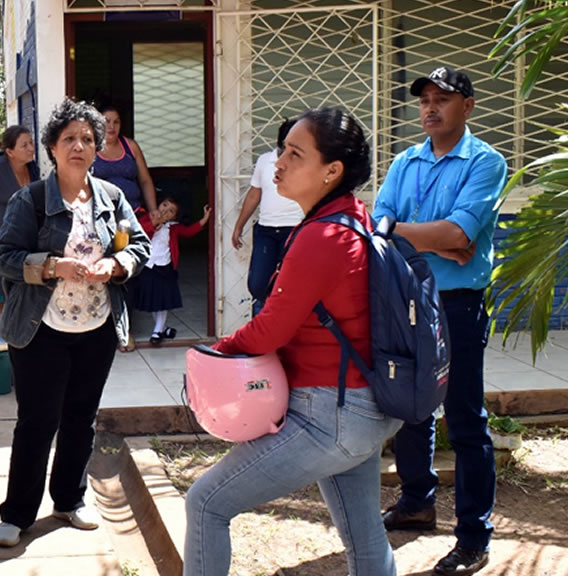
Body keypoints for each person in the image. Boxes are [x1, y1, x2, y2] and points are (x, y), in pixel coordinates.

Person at [184, 108, 404, 576]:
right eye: (283, 150)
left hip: (329, 417)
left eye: (295, 154)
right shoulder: (352, 218)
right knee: (365, 536)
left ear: (331, 171)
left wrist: (214, 350)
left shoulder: (321, 236)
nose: (279, 162)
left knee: (206, 503)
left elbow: (270, 329)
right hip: (365, 408)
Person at [0, 98, 150, 547]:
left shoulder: (112, 198)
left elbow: (139, 247)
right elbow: (4, 258)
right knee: (37, 421)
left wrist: (116, 265)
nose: (78, 146)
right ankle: (17, 514)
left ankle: (69, 500)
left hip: (96, 328)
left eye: (87, 139)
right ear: (53, 149)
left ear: (97, 148)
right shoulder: (31, 200)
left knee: (81, 419)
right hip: (42, 330)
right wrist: (50, 266)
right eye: (68, 139)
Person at [373, 66, 506, 576]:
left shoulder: (486, 162)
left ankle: (474, 535)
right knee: (411, 410)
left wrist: (418, 233)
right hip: (407, 301)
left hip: (457, 305)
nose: (430, 107)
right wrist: (438, 238)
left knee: (466, 420)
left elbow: (456, 233)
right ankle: (416, 503)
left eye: (443, 99)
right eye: (425, 99)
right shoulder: (405, 162)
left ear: (467, 106)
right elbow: (380, 229)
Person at [231, 119, 303, 315]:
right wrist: (239, 226)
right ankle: (260, 333)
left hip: (295, 229)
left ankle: (288, 331)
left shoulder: (305, 164)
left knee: (292, 284)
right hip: (266, 230)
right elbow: (255, 193)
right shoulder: (265, 161)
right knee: (258, 284)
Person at [0, 125, 40, 328]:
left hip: (25, 244)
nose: (31, 148)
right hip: (0, 244)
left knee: (21, 296)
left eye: (31, 143)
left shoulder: (33, 169)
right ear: (10, 151)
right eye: (25, 145)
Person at [133, 197, 211, 344]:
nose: (165, 211)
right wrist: (156, 222)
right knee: (154, 301)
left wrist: (204, 219)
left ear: (174, 217)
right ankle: (162, 329)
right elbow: (141, 231)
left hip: (165, 267)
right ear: (157, 204)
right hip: (148, 266)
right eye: (164, 205)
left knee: (163, 301)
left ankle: (157, 332)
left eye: (171, 211)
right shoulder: (146, 219)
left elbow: (188, 232)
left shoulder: (173, 228)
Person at [91, 106, 158, 213]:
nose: (112, 126)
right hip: (102, 214)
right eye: (107, 121)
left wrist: (153, 210)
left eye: (116, 122)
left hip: (134, 211)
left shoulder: (131, 146)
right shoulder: (89, 148)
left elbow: (145, 181)